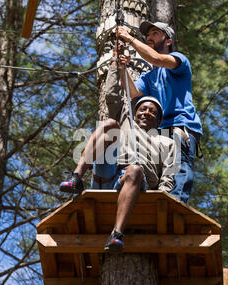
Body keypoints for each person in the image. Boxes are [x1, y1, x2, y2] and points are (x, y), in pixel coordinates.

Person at [60, 54, 178, 254]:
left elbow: (169, 175)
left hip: (135, 184)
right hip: (108, 174)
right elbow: (113, 95)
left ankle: (116, 234)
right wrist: (115, 64)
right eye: (142, 109)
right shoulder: (127, 125)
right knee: (109, 125)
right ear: (135, 111)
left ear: (158, 121)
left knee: (135, 169)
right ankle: (76, 177)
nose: (146, 113)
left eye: (152, 112)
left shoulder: (166, 142)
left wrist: (161, 196)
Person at [115, 21, 203, 203]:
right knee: (163, 171)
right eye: (148, 35)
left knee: (179, 169)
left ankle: (175, 206)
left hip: (181, 126)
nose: (149, 37)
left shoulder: (179, 61)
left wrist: (129, 39)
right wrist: (122, 68)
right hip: (160, 131)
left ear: (168, 40)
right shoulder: (149, 76)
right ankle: (156, 203)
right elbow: (134, 93)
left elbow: (156, 58)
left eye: (155, 33)